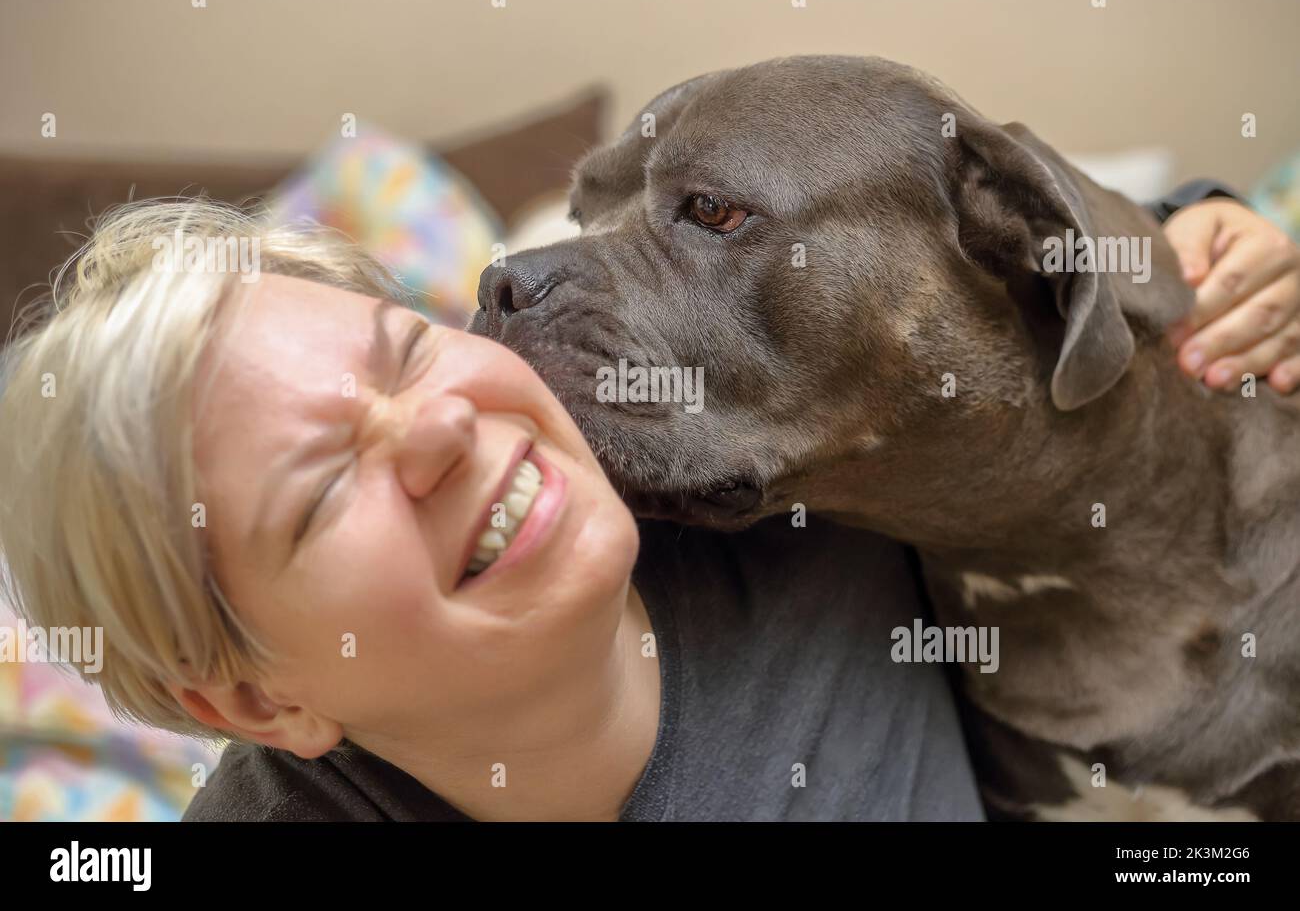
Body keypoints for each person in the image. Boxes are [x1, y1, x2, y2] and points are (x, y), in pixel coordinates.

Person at [0, 190, 1294, 821]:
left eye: (404, 349)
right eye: (325, 486)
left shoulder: (743, 469)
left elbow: (967, 277)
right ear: (257, 699)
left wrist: (1199, 237)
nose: (447, 426)